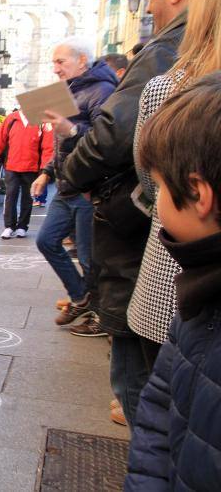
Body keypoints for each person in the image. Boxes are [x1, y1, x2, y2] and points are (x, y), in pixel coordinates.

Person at [61, 0, 188, 426]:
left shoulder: (168, 54)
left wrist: (70, 168)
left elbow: (113, 135)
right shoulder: (176, 52)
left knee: (140, 352)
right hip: (147, 221)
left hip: (137, 220)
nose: (147, 5)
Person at [125, 72, 221, 490]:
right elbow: (159, 413)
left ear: (199, 194)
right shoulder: (200, 291)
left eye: (160, 186)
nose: (156, 200)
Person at [127, 0, 220, 414]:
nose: (147, 4)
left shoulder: (173, 91)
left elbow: (150, 183)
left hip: (169, 286)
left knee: (164, 408)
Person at [33, 36, 117, 337]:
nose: (55, 68)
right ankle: (82, 297)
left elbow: (107, 140)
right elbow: (61, 144)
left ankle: (99, 315)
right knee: (46, 240)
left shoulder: (102, 90)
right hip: (66, 184)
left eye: (60, 61)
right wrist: (46, 173)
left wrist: (72, 129)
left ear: (82, 61)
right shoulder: (69, 90)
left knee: (88, 256)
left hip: (88, 186)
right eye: (53, 62)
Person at [0, 109, 54, 239]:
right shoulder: (11, 119)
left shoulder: (42, 120)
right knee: (10, 196)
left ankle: (22, 226)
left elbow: (48, 147)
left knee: (27, 198)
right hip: (12, 165)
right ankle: (9, 226)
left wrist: (45, 169)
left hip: (32, 166)